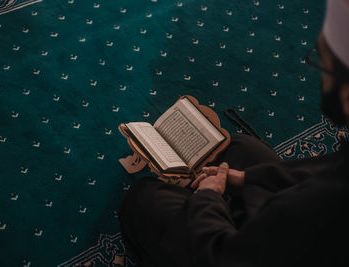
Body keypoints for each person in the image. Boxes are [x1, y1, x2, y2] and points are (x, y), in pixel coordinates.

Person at [118, 0, 349, 266]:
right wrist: (245, 178)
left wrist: (209, 197)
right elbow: (332, 168)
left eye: (323, 63)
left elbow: (221, 256)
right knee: (239, 149)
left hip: (245, 250)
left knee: (144, 199)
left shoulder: (310, 212)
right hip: (276, 231)